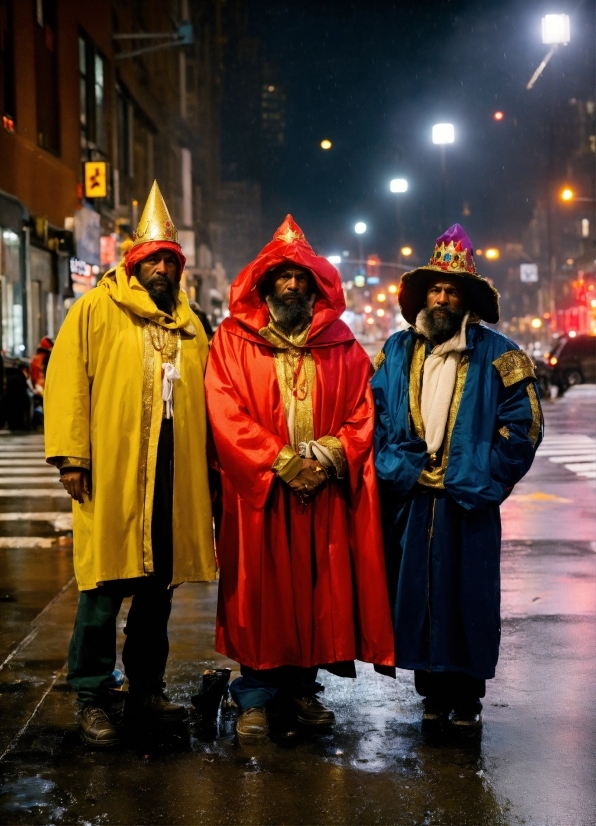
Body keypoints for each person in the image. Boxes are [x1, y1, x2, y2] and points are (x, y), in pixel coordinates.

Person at [205, 216, 395, 740]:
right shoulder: (232, 341)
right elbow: (224, 412)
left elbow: (363, 410)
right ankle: (256, 696)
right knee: (260, 595)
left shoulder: (342, 343)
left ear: (316, 286)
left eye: (302, 277)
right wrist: (281, 462)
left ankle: (301, 689)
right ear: (265, 285)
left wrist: (332, 455)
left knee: (314, 593)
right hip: (261, 494)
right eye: (283, 277)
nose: (293, 285)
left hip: (322, 493)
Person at [44, 181, 215, 747]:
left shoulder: (191, 326)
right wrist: (73, 458)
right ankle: (92, 694)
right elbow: (67, 381)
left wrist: (211, 473)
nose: (163, 268)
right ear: (135, 263)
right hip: (115, 475)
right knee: (102, 589)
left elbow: (210, 400)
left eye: (171, 260)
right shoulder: (96, 308)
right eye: (154, 259)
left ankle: (146, 688)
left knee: (156, 593)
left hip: (171, 478)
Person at [371, 224, 543, 726]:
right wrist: (399, 466)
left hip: (468, 501)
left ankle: (466, 698)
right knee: (420, 597)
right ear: (424, 296)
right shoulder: (397, 350)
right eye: (436, 289)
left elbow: (525, 423)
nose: (443, 297)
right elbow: (374, 416)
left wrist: (483, 474)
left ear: (466, 298)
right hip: (413, 498)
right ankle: (431, 694)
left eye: (452, 290)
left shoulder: (501, 353)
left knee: (467, 596)